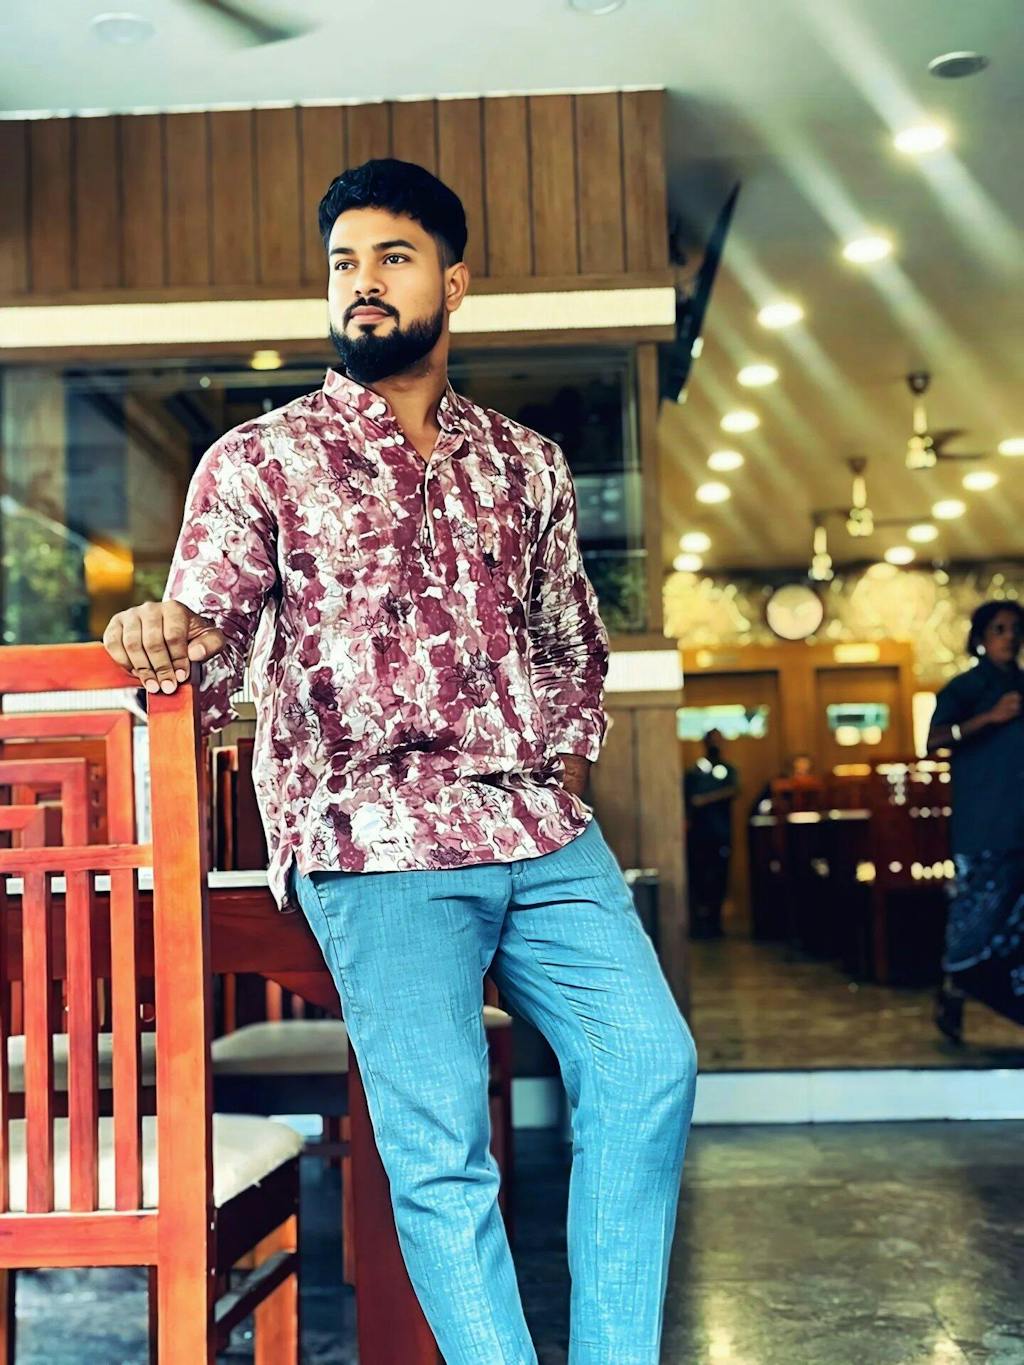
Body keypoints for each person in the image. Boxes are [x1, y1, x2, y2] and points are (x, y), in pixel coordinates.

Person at [102, 159, 698, 1365]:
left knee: (650, 1064)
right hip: (372, 840)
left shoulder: (524, 462)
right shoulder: (258, 461)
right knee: (439, 1153)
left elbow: (569, 641)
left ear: (453, 283)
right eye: (343, 263)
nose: (362, 283)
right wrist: (159, 637)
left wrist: (560, 771)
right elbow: (200, 663)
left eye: (392, 258)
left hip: (536, 831)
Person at [927, 600, 1024, 1043]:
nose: (1009, 636)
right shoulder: (965, 689)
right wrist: (989, 717)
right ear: (981, 638)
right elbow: (934, 740)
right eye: (999, 628)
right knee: (974, 916)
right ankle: (954, 989)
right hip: (984, 825)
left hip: (1020, 822)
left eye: (1015, 629)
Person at [684, 728, 739, 938]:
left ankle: (715, 922)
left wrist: (705, 800)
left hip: (721, 834)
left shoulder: (727, 770)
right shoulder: (696, 772)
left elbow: (734, 789)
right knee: (699, 879)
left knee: (719, 879)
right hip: (699, 835)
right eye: (712, 740)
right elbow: (688, 797)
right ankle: (700, 923)